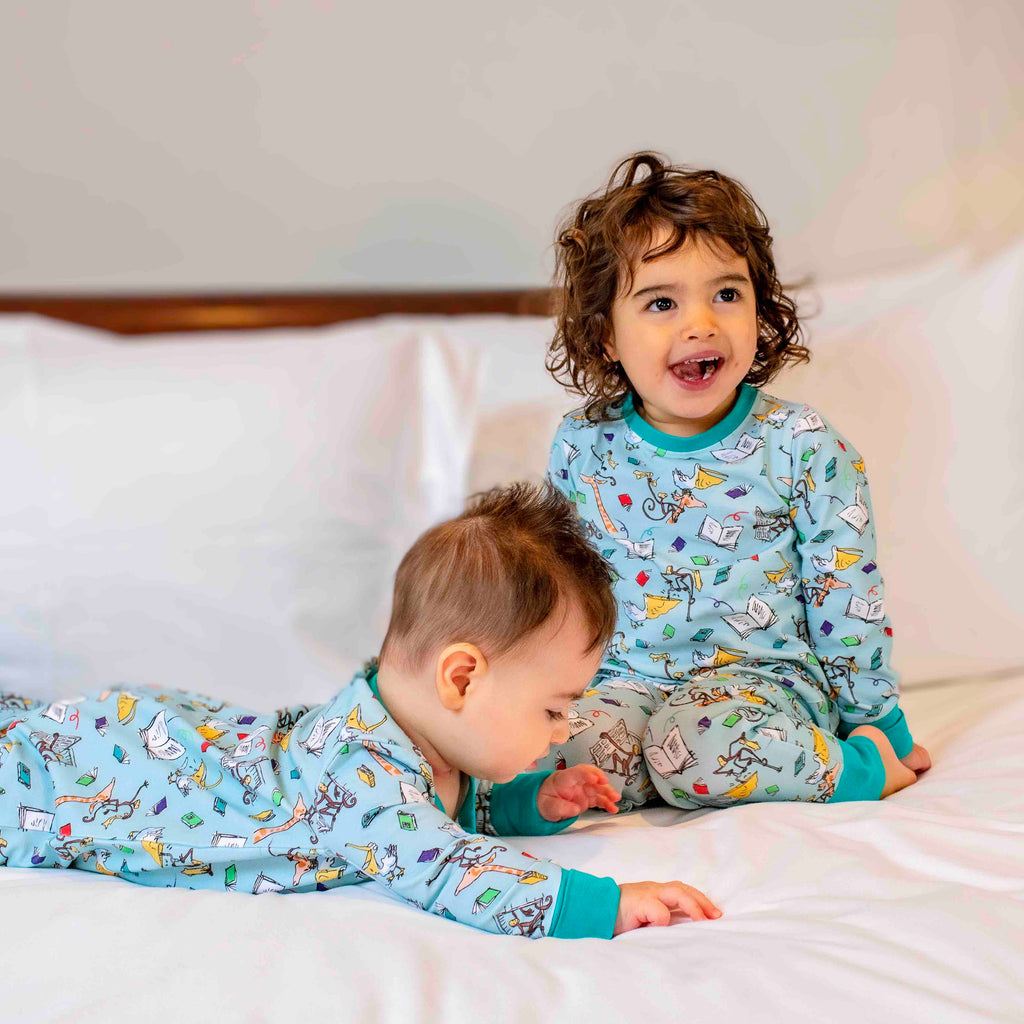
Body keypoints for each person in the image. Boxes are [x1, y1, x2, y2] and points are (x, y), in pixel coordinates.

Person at [0, 481, 721, 939]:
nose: (565, 731)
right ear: (462, 679)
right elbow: (447, 867)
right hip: (87, 776)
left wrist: (527, 803)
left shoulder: (417, 746)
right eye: (554, 710)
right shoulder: (358, 772)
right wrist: (605, 906)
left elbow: (441, 809)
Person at [538, 151, 931, 811]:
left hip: (761, 690)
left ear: (760, 307)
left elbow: (846, 603)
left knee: (699, 742)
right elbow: (561, 588)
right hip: (627, 683)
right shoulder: (583, 445)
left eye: (726, 293)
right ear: (607, 336)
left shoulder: (804, 448)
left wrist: (879, 727)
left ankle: (853, 770)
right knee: (548, 752)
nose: (702, 322)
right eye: (661, 302)